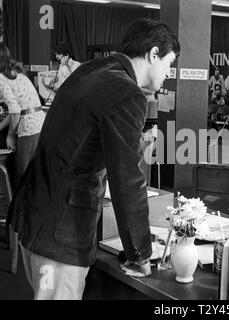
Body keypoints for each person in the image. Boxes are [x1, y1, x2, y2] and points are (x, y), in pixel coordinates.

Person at [7, 19, 180, 300]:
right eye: (169, 63)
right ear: (153, 54)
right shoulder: (127, 93)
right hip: (60, 234)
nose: (169, 73)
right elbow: (128, 178)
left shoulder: (91, 70)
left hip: (34, 217)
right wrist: (140, 252)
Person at [0, 44, 46, 187]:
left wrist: (10, 135)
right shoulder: (17, 74)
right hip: (39, 123)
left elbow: (15, 110)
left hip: (28, 128)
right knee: (34, 172)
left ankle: (20, 207)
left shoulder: (1, 78)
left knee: (22, 174)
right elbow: (21, 108)